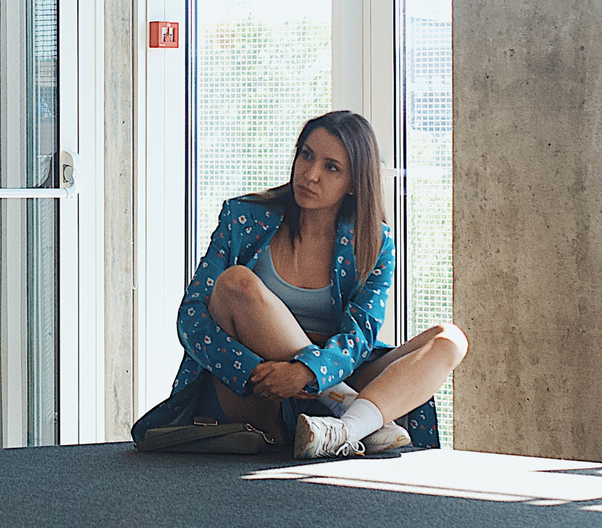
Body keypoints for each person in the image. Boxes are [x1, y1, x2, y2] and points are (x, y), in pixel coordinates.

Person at [163, 109, 469, 458]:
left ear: (355, 182)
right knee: (235, 282)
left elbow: (359, 337)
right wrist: (257, 371)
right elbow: (191, 317)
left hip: (331, 379)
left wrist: (310, 372)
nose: (310, 174)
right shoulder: (243, 217)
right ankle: (356, 412)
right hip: (258, 388)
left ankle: (347, 427)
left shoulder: (374, 243)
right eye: (306, 156)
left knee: (450, 340)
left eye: (331, 167)